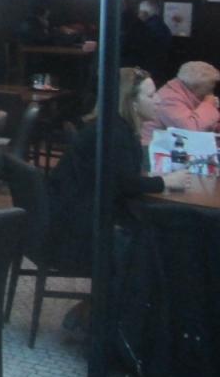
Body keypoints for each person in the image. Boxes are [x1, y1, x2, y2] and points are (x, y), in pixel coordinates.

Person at [49, 67, 189, 271]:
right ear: (131, 103)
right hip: (81, 232)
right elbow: (125, 185)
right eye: (151, 96)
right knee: (174, 227)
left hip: (70, 217)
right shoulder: (116, 134)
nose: (159, 100)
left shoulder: (112, 127)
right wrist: (165, 182)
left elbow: (119, 179)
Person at [143, 61, 220, 142]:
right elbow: (190, 131)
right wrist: (208, 104)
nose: (211, 94)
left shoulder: (184, 92)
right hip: (153, 146)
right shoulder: (168, 99)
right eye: (209, 89)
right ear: (195, 87)